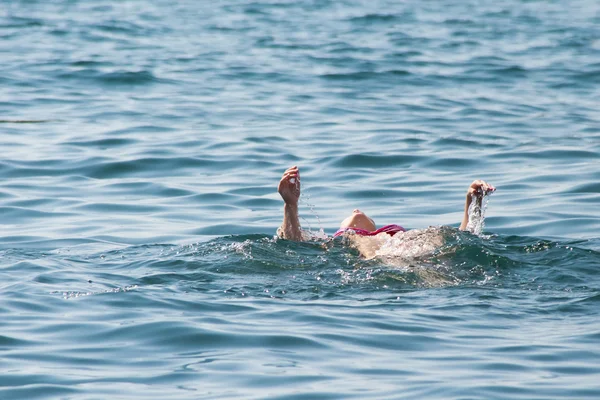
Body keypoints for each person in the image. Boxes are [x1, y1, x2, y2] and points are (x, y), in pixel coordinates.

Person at [276, 166, 495, 257]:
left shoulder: (388, 234)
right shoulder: (335, 243)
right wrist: (290, 205)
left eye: (363, 212)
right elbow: (295, 245)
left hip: (406, 249)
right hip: (385, 257)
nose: (356, 209)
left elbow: (462, 238)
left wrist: (471, 203)